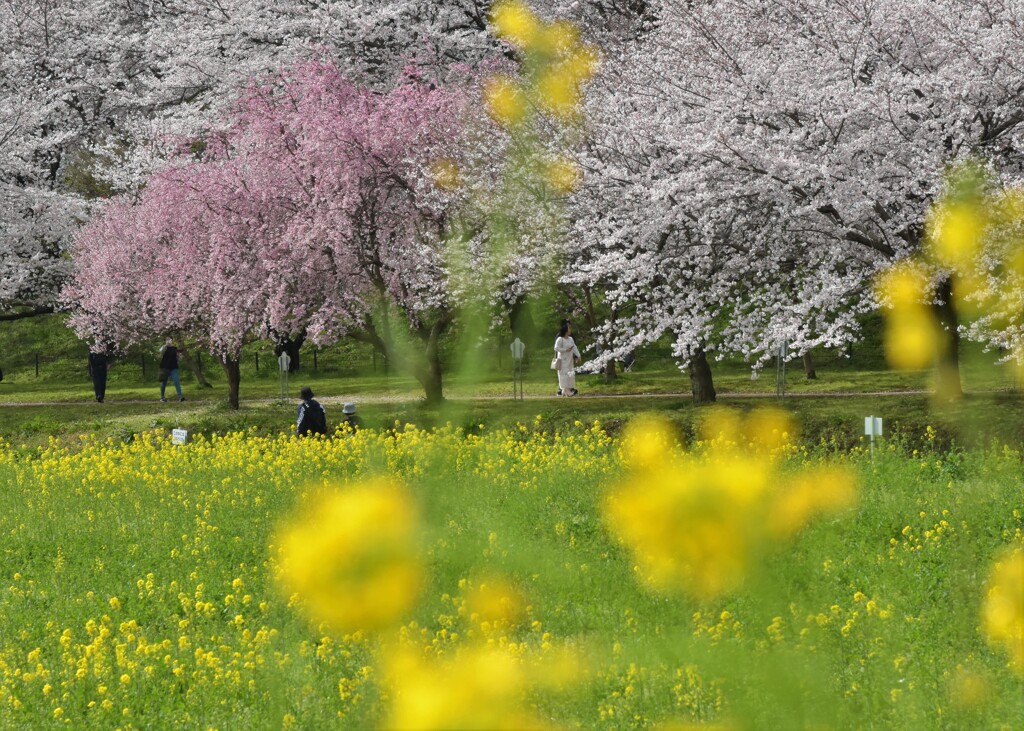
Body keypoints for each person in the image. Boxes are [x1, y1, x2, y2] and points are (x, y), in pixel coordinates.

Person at [553, 321, 581, 396]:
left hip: (569, 360)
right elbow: (556, 348)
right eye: (569, 329)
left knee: (570, 373)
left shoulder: (571, 339)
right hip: (562, 360)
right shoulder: (560, 339)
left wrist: (578, 355)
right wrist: (565, 350)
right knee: (563, 374)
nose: (570, 330)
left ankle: (568, 389)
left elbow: (574, 347)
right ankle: (565, 390)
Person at [158, 337, 185, 402]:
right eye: (167, 339)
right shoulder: (163, 347)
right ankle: (162, 397)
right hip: (165, 367)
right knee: (163, 383)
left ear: (172, 340)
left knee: (177, 382)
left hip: (174, 367)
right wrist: (166, 345)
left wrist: (179, 356)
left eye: (170, 339)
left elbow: (179, 358)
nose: (168, 341)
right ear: (165, 341)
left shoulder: (175, 348)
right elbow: (161, 352)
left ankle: (180, 397)